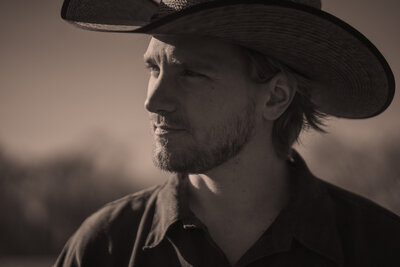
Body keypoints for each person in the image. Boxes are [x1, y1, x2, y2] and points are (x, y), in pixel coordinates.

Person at [55, 0, 400, 266]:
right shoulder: (106, 246)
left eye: (190, 73)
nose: (153, 101)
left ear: (275, 96)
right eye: (154, 68)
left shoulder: (378, 246)